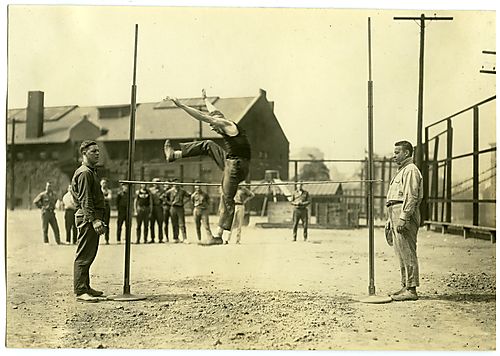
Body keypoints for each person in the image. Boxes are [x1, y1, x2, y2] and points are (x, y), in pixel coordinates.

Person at [164, 89, 251, 245]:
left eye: (213, 126)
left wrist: (182, 106)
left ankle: (219, 235)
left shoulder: (225, 124)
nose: (213, 129)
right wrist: (205, 100)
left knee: (226, 196)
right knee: (208, 145)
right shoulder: (222, 120)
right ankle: (174, 155)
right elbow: (213, 111)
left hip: (237, 165)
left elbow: (204, 116)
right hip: (232, 161)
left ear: (217, 122)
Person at [385, 140, 423, 302]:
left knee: (407, 250)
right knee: (400, 251)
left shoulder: (411, 170)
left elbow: (411, 196)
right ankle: (405, 285)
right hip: (394, 212)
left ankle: (412, 289)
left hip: (404, 212)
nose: (394, 156)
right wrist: (389, 218)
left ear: (406, 153)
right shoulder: (401, 171)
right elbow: (393, 197)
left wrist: (404, 217)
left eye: (397, 152)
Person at [70, 140, 107, 302]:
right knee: (84, 254)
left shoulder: (90, 171)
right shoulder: (85, 172)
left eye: (98, 151)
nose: (97, 153)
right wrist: (94, 220)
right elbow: (85, 200)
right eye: (93, 151)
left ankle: (86, 287)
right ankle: (80, 291)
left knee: (90, 254)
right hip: (87, 217)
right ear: (84, 154)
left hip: (89, 216)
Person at [149, 178, 165, 243]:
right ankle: (152, 238)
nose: (156, 184)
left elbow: (164, 199)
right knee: (151, 224)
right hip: (152, 207)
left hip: (159, 207)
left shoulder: (162, 190)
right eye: (155, 182)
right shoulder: (150, 190)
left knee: (160, 224)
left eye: (158, 182)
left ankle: (160, 238)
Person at [100, 178, 112, 245]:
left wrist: (102, 198)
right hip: (100, 208)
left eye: (105, 183)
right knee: (99, 223)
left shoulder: (109, 191)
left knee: (107, 224)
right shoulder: (98, 190)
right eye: (103, 183)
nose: (104, 184)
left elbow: (109, 198)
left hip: (106, 208)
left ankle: (107, 239)